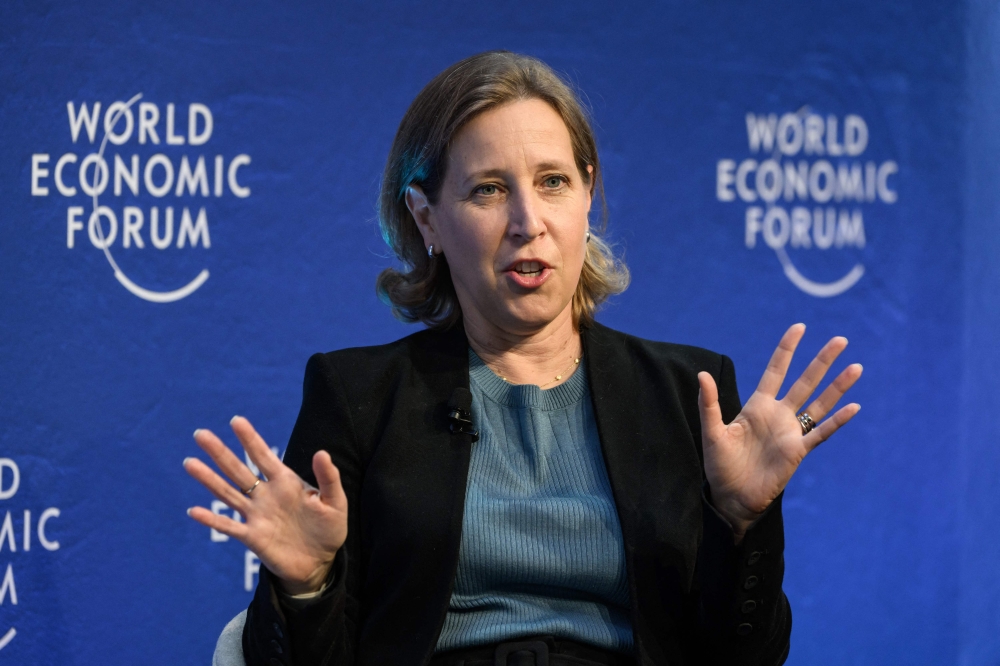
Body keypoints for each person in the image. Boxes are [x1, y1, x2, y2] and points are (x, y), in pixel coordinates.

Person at [184, 51, 862, 666]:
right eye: (488, 189)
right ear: (427, 219)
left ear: (588, 195)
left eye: (552, 182)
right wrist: (307, 586)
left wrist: (740, 523)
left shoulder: (687, 395)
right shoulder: (360, 395)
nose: (527, 220)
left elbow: (745, 660)